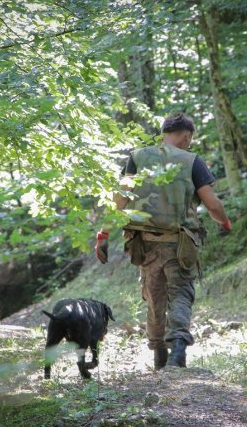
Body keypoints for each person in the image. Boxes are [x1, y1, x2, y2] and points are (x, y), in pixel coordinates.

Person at [94, 113, 232, 370]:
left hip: (143, 245)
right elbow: (212, 204)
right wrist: (224, 222)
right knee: (180, 294)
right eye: (189, 140)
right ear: (186, 136)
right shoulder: (192, 161)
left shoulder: (137, 157)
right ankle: (178, 350)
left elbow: (120, 200)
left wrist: (103, 234)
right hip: (179, 244)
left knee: (153, 297)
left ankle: (159, 355)